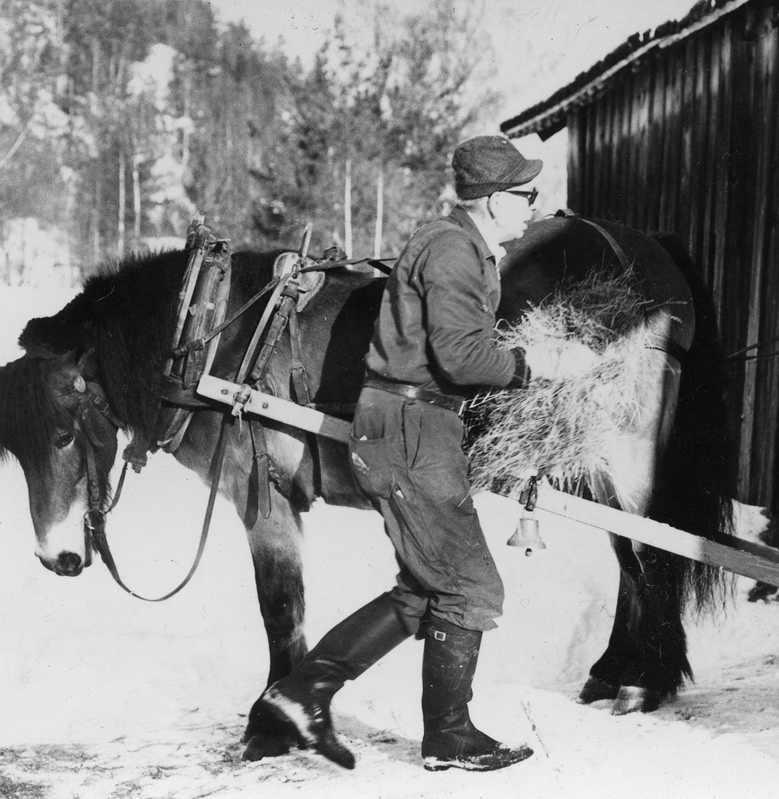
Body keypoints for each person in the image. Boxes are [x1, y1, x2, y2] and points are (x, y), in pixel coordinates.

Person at [243, 135, 597, 772]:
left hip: (414, 425)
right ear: (490, 200)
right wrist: (538, 364)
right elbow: (462, 356)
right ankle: (448, 737)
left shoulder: (464, 248)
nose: (534, 205)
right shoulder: (453, 251)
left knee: (426, 584)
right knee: (470, 586)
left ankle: (300, 695)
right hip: (410, 428)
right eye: (525, 194)